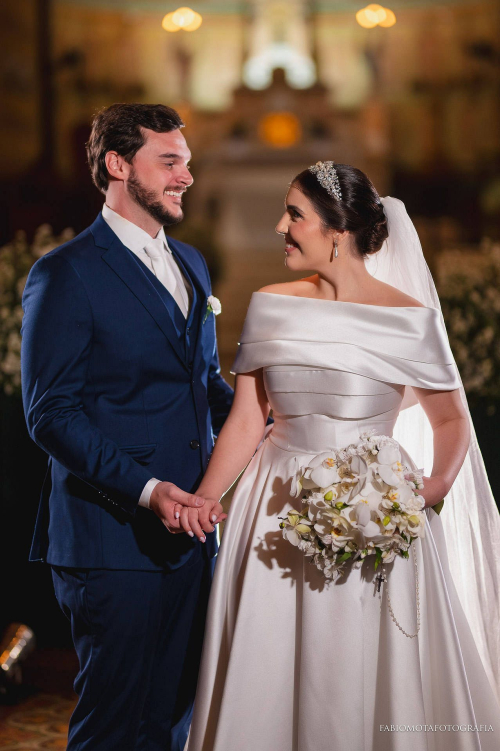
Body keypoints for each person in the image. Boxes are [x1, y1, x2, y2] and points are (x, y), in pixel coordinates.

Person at [184, 162, 500, 750]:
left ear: (338, 229)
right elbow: (248, 418)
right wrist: (206, 497)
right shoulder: (270, 304)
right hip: (273, 511)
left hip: (375, 508)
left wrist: (432, 487)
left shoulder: (410, 320)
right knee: (268, 661)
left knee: (359, 656)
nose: (280, 227)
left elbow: (452, 418)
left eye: (294, 215)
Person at [21, 103, 233, 751]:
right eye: (168, 162)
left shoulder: (192, 263)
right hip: (111, 539)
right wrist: (148, 490)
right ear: (118, 164)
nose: (185, 177)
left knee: (169, 723)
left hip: (192, 535)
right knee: (114, 726)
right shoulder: (65, 272)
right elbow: (51, 414)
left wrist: (280, 424)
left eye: (186, 162)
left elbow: (204, 385)